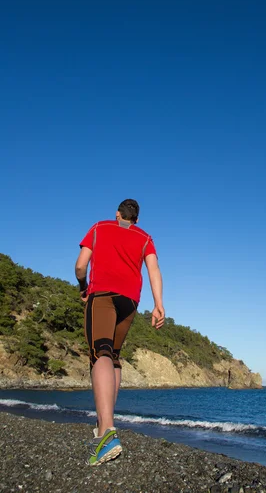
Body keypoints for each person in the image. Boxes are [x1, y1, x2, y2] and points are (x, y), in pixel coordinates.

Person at [75, 199, 164, 466]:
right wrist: (158, 304)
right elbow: (154, 269)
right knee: (113, 356)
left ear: (118, 214)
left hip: (102, 294)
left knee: (100, 351)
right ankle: (104, 425)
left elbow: (81, 265)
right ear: (136, 219)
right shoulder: (145, 238)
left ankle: (107, 433)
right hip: (130, 301)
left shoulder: (100, 227)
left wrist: (82, 286)